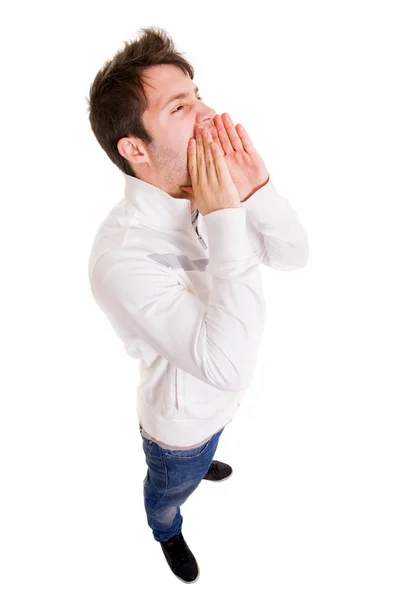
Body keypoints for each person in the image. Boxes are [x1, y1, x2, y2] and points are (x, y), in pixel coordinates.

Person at [86, 26, 309, 584]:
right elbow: (226, 363)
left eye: (199, 95)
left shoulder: (205, 194)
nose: (211, 115)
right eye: (181, 107)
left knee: (213, 441)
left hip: (223, 408)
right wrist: (226, 218)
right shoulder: (122, 258)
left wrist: (256, 189)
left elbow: (291, 256)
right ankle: (165, 527)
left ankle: (207, 461)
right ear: (135, 149)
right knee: (170, 486)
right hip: (178, 431)